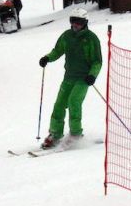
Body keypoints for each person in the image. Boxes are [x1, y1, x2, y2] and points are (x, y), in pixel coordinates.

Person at [38, 8, 102, 149]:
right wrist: (47, 58)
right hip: (69, 77)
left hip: (83, 79)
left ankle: (75, 134)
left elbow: (97, 61)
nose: (75, 25)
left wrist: (92, 74)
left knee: (74, 102)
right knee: (59, 104)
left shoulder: (91, 39)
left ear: (85, 22)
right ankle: (55, 134)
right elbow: (57, 51)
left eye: (78, 22)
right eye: (73, 21)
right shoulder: (67, 36)